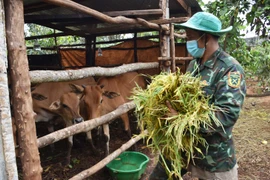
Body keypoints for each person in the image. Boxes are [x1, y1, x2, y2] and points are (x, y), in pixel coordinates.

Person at [149, 12, 246, 180]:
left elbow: (226, 115)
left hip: (214, 157)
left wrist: (180, 120)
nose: (188, 42)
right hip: (184, 147)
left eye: (190, 37)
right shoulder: (194, 64)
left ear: (206, 38)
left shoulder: (230, 69)